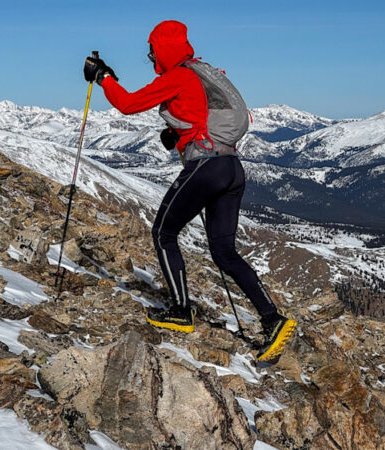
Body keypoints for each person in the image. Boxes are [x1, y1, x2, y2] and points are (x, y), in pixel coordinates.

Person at [83, 20, 296, 361]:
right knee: (224, 253)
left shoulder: (179, 76)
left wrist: (103, 77)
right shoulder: (202, 73)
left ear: (162, 48)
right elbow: (196, 116)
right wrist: (177, 136)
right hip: (231, 168)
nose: (150, 56)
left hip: (207, 167)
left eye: (152, 49)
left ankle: (181, 312)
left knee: (164, 234)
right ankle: (272, 319)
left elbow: (128, 104)